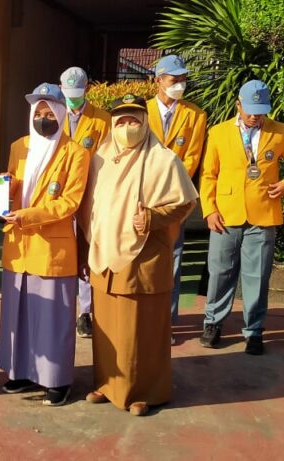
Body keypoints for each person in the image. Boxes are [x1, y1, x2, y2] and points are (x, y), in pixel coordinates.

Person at [79, 94, 198, 416]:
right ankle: (107, 384)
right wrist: (86, 248)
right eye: (121, 121)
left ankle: (145, 392)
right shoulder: (100, 159)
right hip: (104, 255)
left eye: (134, 119)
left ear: (145, 122)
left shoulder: (163, 159)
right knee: (106, 326)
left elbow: (185, 202)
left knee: (141, 329)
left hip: (144, 256)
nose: (127, 126)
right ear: (113, 125)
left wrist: (154, 218)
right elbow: (88, 208)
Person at [0, 83, 90, 406]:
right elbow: (13, 183)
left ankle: (57, 380)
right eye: (38, 112)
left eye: (50, 113)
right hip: (18, 245)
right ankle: (21, 372)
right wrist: (1, 188)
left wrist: (28, 216)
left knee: (52, 317)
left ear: (62, 114)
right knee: (18, 313)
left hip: (52, 248)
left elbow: (69, 202)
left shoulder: (76, 153)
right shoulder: (19, 146)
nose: (43, 118)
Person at [199, 80, 284, 355]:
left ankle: (254, 330)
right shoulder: (219, 133)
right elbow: (209, 174)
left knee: (257, 276)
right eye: (250, 110)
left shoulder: (281, 132)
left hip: (263, 214)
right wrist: (209, 209)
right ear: (238, 105)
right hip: (225, 214)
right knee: (220, 272)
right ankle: (212, 323)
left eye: (261, 111)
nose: (255, 116)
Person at [145, 55, 208, 330]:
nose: (179, 85)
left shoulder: (196, 115)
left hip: (175, 196)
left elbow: (192, 157)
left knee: (173, 256)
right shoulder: (142, 110)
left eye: (183, 79)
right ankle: (143, 317)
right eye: (174, 80)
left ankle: (166, 322)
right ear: (158, 81)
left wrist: (171, 185)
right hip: (143, 195)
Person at [59, 66, 111, 339]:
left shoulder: (102, 120)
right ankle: (62, 307)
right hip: (58, 195)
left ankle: (85, 312)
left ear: (88, 89)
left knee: (86, 253)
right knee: (61, 250)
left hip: (90, 195)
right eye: (68, 93)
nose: (72, 99)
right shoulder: (53, 114)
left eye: (77, 93)